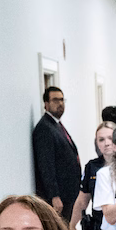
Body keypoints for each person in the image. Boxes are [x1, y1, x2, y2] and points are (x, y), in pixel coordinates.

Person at [69, 121, 116, 230]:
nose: (106, 143)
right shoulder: (92, 167)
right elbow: (83, 200)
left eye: (110, 138)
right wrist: (72, 225)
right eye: (101, 140)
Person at [32, 86, 81, 219]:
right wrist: (54, 196)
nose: (60, 104)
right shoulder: (44, 128)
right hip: (59, 198)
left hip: (68, 195)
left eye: (62, 100)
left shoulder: (56, 125)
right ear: (46, 104)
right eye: (55, 100)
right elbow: (46, 165)